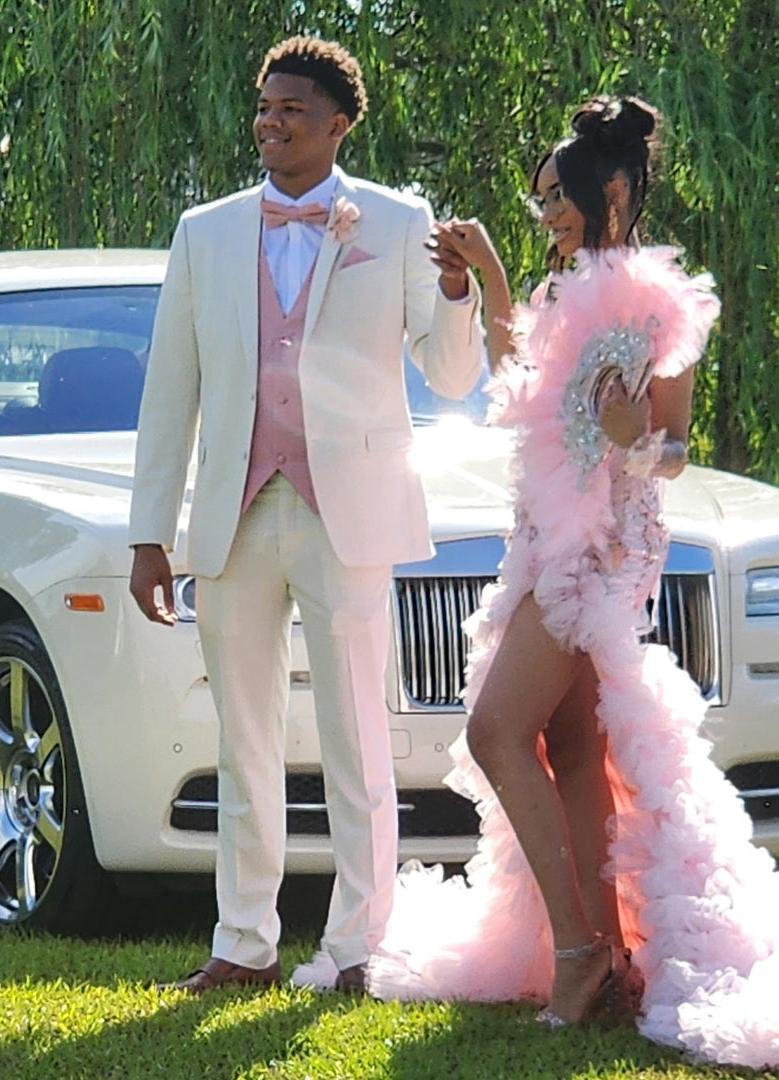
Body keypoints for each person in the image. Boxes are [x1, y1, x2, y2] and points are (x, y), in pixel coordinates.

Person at [294, 96, 779, 1070]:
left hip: (602, 549)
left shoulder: (654, 304)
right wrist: (491, 278)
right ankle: (611, 953)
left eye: (560, 196)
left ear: (613, 191)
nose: (548, 212)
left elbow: (674, 450)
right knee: (571, 745)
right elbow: (519, 390)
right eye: (542, 199)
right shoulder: (559, 292)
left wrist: (638, 437)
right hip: (540, 538)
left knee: (495, 732)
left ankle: (580, 951)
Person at [128, 35, 483, 995]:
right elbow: (171, 391)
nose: (270, 122)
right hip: (235, 514)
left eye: (292, 109)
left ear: (338, 125)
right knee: (242, 740)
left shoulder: (398, 222)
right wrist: (149, 533)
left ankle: (360, 947)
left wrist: (457, 293)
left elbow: (453, 375)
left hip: (349, 513)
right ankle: (243, 944)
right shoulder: (204, 233)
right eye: (264, 106)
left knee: (356, 735)